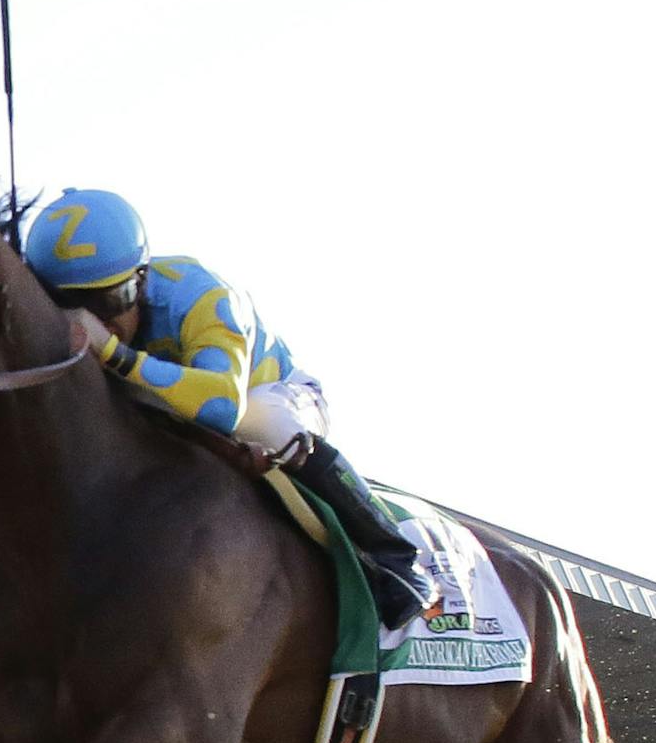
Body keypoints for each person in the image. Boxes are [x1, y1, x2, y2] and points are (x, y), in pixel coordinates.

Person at [24, 189, 435, 630]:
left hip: (273, 394)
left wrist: (114, 355)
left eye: (112, 301)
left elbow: (222, 407)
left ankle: (393, 554)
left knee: (264, 420)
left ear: (141, 280)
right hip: (169, 411)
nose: (97, 323)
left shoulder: (201, 294)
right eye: (70, 307)